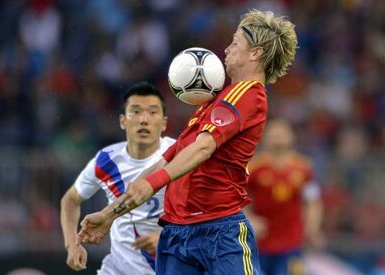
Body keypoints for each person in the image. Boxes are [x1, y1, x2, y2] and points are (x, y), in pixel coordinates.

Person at [77, 9, 298, 275]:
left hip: (220, 232)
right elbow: (167, 160)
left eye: (235, 43)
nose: (226, 50)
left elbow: (203, 148)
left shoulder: (249, 93)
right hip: (177, 233)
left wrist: (153, 184)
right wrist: (110, 214)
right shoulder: (215, 104)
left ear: (255, 53)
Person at [60, 82, 175, 274]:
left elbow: (204, 214)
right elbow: (70, 200)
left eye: (153, 112)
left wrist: (166, 238)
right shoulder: (106, 160)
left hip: (168, 265)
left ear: (164, 123)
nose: (144, 120)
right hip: (117, 269)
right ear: (122, 121)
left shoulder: (180, 154)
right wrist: (72, 245)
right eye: (136, 112)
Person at [245, 119, 324, 275]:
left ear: (291, 137)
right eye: (274, 134)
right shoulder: (254, 167)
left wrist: (313, 229)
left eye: (282, 133)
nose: (278, 137)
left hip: (292, 242)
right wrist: (250, 218)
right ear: (265, 137)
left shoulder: (303, 167)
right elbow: (237, 197)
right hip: (261, 241)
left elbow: (313, 201)